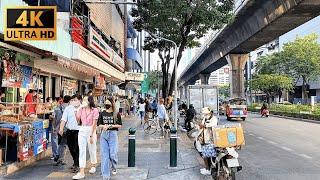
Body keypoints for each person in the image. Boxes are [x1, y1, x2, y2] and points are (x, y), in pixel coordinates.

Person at [72, 96, 99, 179]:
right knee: (82, 150)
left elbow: (94, 124)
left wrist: (91, 135)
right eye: (83, 100)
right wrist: (77, 110)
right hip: (82, 129)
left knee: (92, 149)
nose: (83, 101)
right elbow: (77, 120)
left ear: (89, 101)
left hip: (91, 130)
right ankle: (81, 172)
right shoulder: (81, 109)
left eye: (85, 100)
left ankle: (93, 165)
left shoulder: (95, 110)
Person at [98, 99, 122, 180]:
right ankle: (105, 176)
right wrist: (103, 126)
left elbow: (119, 125)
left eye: (108, 103)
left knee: (113, 154)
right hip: (104, 135)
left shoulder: (116, 114)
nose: (106, 104)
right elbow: (99, 124)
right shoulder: (102, 113)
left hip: (113, 135)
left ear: (112, 104)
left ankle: (114, 166)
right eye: (106, 103)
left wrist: (111, 126)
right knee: (105, 156)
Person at [59, 95, 81, 173]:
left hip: (79, 131)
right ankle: (75, 161)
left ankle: (77, 164)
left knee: (76, 148)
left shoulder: (83, 108)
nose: (73, 101)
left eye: (75, 100)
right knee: (71, 148)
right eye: (72, 100)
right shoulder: (68, 108)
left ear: (79, 100)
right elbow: (63, 119)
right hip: (69, 131)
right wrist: (61, 128)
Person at [198, 107, 218, 175]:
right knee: (204, 155)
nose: (204, 115)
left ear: (210, 113)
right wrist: (200, 126)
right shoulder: (205, 118)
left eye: (205, 113)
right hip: (204, 139)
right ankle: (207, 168)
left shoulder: (214, 119)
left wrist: (204, 125)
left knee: (209, 155)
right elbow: (201, 126)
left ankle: (208, 169)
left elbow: (213, 125)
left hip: (211, 140)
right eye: (204, 114)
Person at [52, 96, 67, 166]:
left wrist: (54, 127)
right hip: (64, 129)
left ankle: (57, 155)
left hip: (58, 129)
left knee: (58, 143)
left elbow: (54, 119)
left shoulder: (56, 109)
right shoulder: (67, 109)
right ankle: (61, 158)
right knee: (63, 144)